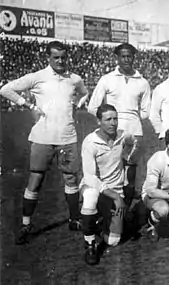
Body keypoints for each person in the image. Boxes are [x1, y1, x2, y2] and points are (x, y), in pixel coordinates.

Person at [0, 41, 89, 245]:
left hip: (67, 138)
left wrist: (77, 104)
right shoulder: (38, 77)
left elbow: (84, 93)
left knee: (71, 179)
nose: (60, 61)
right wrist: (28, 104)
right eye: (55, 57)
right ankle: (26, 224)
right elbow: (5, 89)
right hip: (43, 138)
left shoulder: (74, 79)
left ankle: (74, 219)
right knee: (36, 180)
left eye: (63, 57)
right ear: (48, 58)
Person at [87, 43, 151, 201]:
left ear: (134, 57)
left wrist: (131, 118)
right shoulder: (107, 79)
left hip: (135, 132)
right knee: (110, 173)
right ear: (117, 58)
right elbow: (92, 107)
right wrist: (109, 122)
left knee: (130, 176)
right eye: (123, 56)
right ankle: (108, 209)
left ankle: (127, 213)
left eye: (129, 56)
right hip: (112, 133)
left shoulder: (142, 82)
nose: (126, 59)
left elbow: (145, 112)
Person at [80, 104, 137, 265]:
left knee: (113, 241)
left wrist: (128, 160)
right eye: (108, 119)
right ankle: (90, 243)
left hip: (116, 189)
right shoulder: (90, 142)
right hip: (95, 187)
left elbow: (134, 143)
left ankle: (96, 223)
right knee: (90, 197)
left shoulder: (123, 136)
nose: (113, 123)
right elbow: (89, 176)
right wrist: (116, 196)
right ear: (99, 121)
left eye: (115, 118)